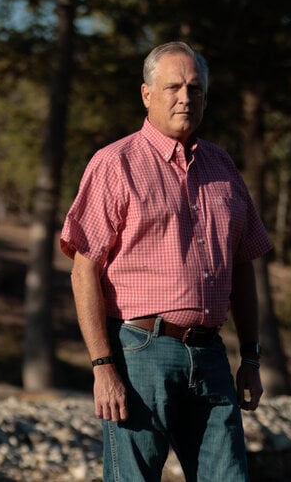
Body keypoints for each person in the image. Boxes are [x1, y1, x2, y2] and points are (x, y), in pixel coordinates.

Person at [60, 41, 272, 481]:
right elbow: (84, 271)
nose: (185, 98)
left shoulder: (223, 166)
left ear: (206, 98)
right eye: (173, 87)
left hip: (210, 353)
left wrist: (251, 357)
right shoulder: (115, 164)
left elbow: (243, 265)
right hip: (139, 352)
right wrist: (103, 366)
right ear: (147, 94)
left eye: (195, 89)